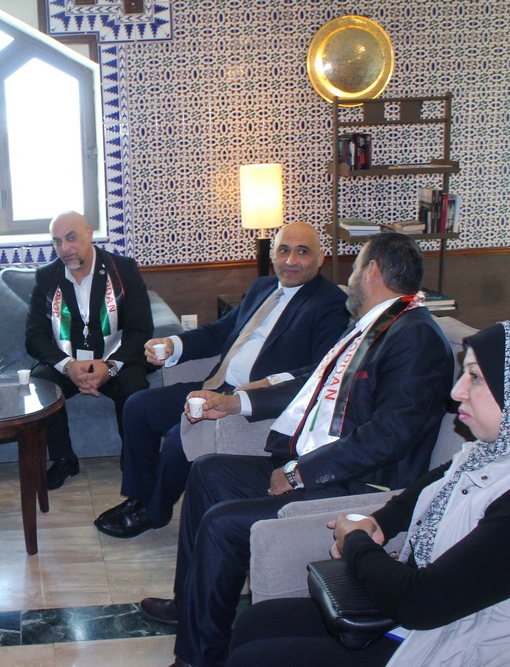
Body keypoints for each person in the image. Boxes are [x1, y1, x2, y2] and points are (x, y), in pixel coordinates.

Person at [141, 233, 456, 667]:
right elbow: (313, 378)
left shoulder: (415, 337)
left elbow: (388, 436)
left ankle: (199, 659)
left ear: (373, 272)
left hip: (357, 484)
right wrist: (237, 402)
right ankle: (191, 608)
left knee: (221, 523)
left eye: (355, 268)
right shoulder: (376, 326)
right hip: (319, 463)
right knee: (208, 472)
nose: (350, 279)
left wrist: (301, 472)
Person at [227, 320, 510, 666]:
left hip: (463, 646)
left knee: (255, 658)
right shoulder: (489, 451)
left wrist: (356, 542)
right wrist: (380, 522)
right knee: (254, 623)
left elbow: (422, 602)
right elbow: (427, 488)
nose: (457, 392)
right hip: (435, 627)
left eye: (475, 378)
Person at [95, 222, 349, 537]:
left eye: (303, 252)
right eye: (284, 250)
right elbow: (220, 331)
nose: (291, 260)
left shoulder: (329, 304)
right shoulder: (263, 287)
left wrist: (255, 391)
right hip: (216, 385)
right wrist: (175, 345)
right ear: (272, 253)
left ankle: (154, 511)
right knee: (138, 406)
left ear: (321, 258)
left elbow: (319, 373)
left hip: (253, 404)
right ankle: (139, 497)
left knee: (179, 437)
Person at [25, 211, 155, 490]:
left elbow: (141, 329)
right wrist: (68, 366)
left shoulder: (123, 270)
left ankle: (133, 460)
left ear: (89, 233)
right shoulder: (47, 277)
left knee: (135, 387)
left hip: (114, 359)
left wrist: (110, 367)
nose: (65, 248)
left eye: (71, 238)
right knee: (42, 384)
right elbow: (34, 336)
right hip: (68, 362)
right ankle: (63, 459)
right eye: (57, 241)